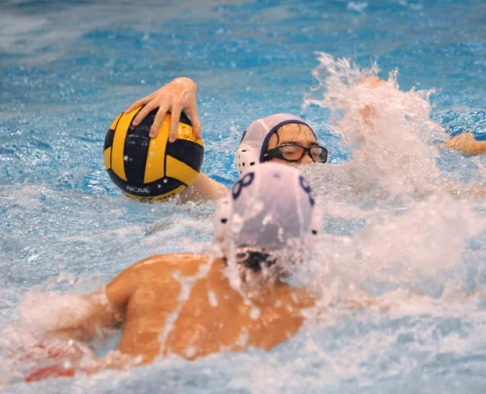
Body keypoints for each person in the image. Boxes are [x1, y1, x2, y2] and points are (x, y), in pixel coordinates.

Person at [25, 163, 321, 381]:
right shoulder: (309, 308)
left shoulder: (159, 272)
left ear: (223, 221)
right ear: (308, 241)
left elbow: (60, 331)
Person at [125, 77, 330, 201]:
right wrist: (182, 85)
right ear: (251, 161)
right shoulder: (226, 201)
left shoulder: (334, 197)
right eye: (290, 152)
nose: (308, 162)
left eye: (314, 153)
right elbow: (172, 170)